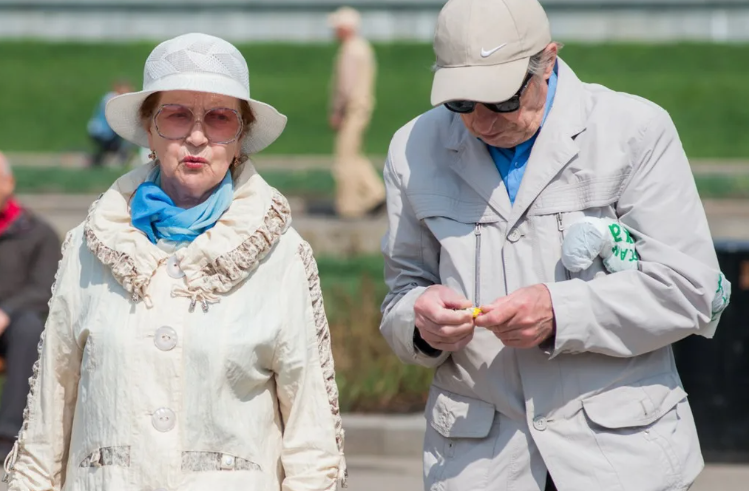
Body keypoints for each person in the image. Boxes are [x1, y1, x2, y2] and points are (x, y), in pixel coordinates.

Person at [379, 0, 729, 490]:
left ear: (548, 60)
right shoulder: (411, 148)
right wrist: (420, 320)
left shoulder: (635, 131)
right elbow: (401, 293)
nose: (480, 122)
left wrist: (559, 312)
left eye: (500, 100)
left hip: (621, 458)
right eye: (460, 103)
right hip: (481, 465)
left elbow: (692, 291)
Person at [4, 33, 346, 491]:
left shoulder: (283, 254)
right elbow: (49, 415)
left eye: (220, 118)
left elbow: (313, 438)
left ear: (241, 135)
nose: (198, 137)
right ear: (148, 129)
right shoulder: (87, 246)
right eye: (177, 115)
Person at [0, 152, 61, 464]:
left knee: (28, 328)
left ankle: (7, 435)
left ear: (9, 183)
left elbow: (46, 287)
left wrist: (7, 310)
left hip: (13, 325)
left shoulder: (39, 233)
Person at [328, 6, 386, 218]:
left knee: (344, 158)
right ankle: (375, 193)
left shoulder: (350, 51)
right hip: (363, 107)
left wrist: (338, 111)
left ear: (346, 27)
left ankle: (350, 206)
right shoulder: (363, 48)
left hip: (352, 109)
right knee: (354, 154)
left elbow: (345, 86)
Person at [87, 79, 134, 167]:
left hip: (101, 130)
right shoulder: (112, 99)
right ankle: (120, 160)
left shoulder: (109, 97)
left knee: (107, 149)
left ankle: (97, 161)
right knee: (124, 141)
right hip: (102, 131)